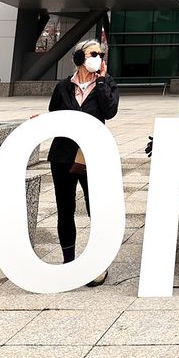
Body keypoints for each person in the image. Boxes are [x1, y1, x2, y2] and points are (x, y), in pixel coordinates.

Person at [47, 39, 119, 285]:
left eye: (100, 54)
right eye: (92, 54)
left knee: (95, 208)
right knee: (65, 210)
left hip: (92, 157)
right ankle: (69, 263)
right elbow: (54, 115)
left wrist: (100, 81)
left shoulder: (106, 83)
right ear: (79, 58)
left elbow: (110, 111)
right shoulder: (63, 87)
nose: (97, 57)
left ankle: (97, 262)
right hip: (63, 157)